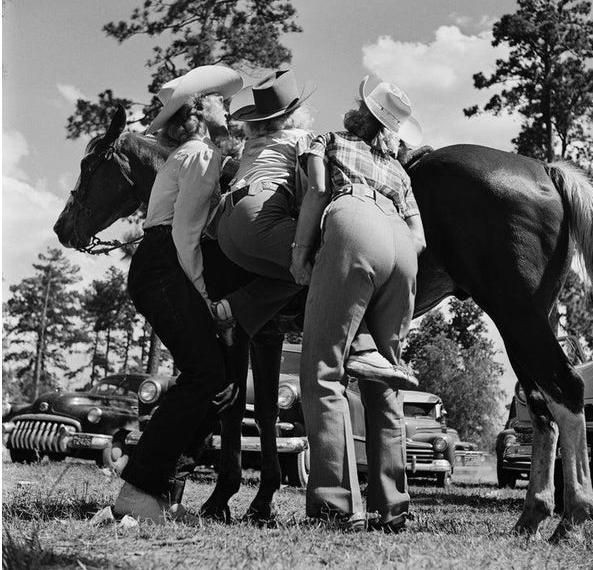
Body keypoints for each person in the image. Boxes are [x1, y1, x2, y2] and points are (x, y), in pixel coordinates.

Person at [210, 70, 418, 389]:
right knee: (333, 262)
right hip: (260, 215)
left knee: (299, 273)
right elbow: (315, 191)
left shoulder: (253, 143)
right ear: (296, 114)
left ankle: (234, 309)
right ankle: (363, 348)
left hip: (226, 228)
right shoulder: (301, 140)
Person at [290, 76, 426, 532]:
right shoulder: (402, 173)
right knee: (384, 377)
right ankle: (393, 507)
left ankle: (335, 506)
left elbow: (314, 192)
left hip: (353, 223)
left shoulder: (326, 140)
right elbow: (420, 240)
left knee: (324, 371)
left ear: (358, 111)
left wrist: (300, 253)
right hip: (403, 248)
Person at [113, 65, 243, 524]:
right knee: (207, 374)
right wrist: (208, 299)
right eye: (219, 108)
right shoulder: (200, 157)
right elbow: (185, 233)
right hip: (166, 264)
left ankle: (164, 492)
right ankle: (139, 491)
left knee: (218, 381)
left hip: (159, 264)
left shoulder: (194, 155)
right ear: (202, 116)